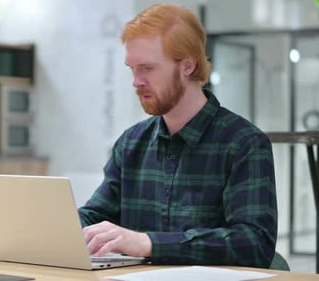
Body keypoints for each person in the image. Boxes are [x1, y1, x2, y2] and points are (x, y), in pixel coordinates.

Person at [78, 3, 277, 268]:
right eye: (132, 68)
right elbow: (95, 216)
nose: (136, 81)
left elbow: (254, 243)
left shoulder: (244, 144)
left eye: (147, 68)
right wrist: (60, 233)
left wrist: (149, 244)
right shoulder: (131, 144)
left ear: (187, 65)